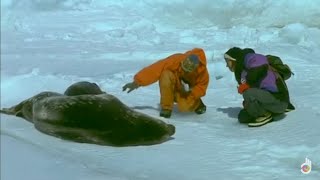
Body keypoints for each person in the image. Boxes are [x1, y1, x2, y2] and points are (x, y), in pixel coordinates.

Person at [122, 48, 209, 118]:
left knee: (184, 107)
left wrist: (191, 91)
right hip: (175, 84)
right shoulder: (176, 59)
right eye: (183, 66)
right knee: (165, 74)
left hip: (188, 92)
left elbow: (201, 88)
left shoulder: (203, 73)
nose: (184, 69)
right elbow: (155, 70)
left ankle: (198, 104)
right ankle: (166, 107)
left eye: (188, 69)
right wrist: (137, 82)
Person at [224, 47, 295, 127]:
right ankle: (266, 112)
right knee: (243, 117)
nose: (226, 65)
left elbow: (261, 61)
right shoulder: (242, 71)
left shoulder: (248, 58)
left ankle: (263, 115)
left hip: (279, 100)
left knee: (248, 93)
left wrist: (247, 85)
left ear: (233, 59)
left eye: (227, 61)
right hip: (271, 102)